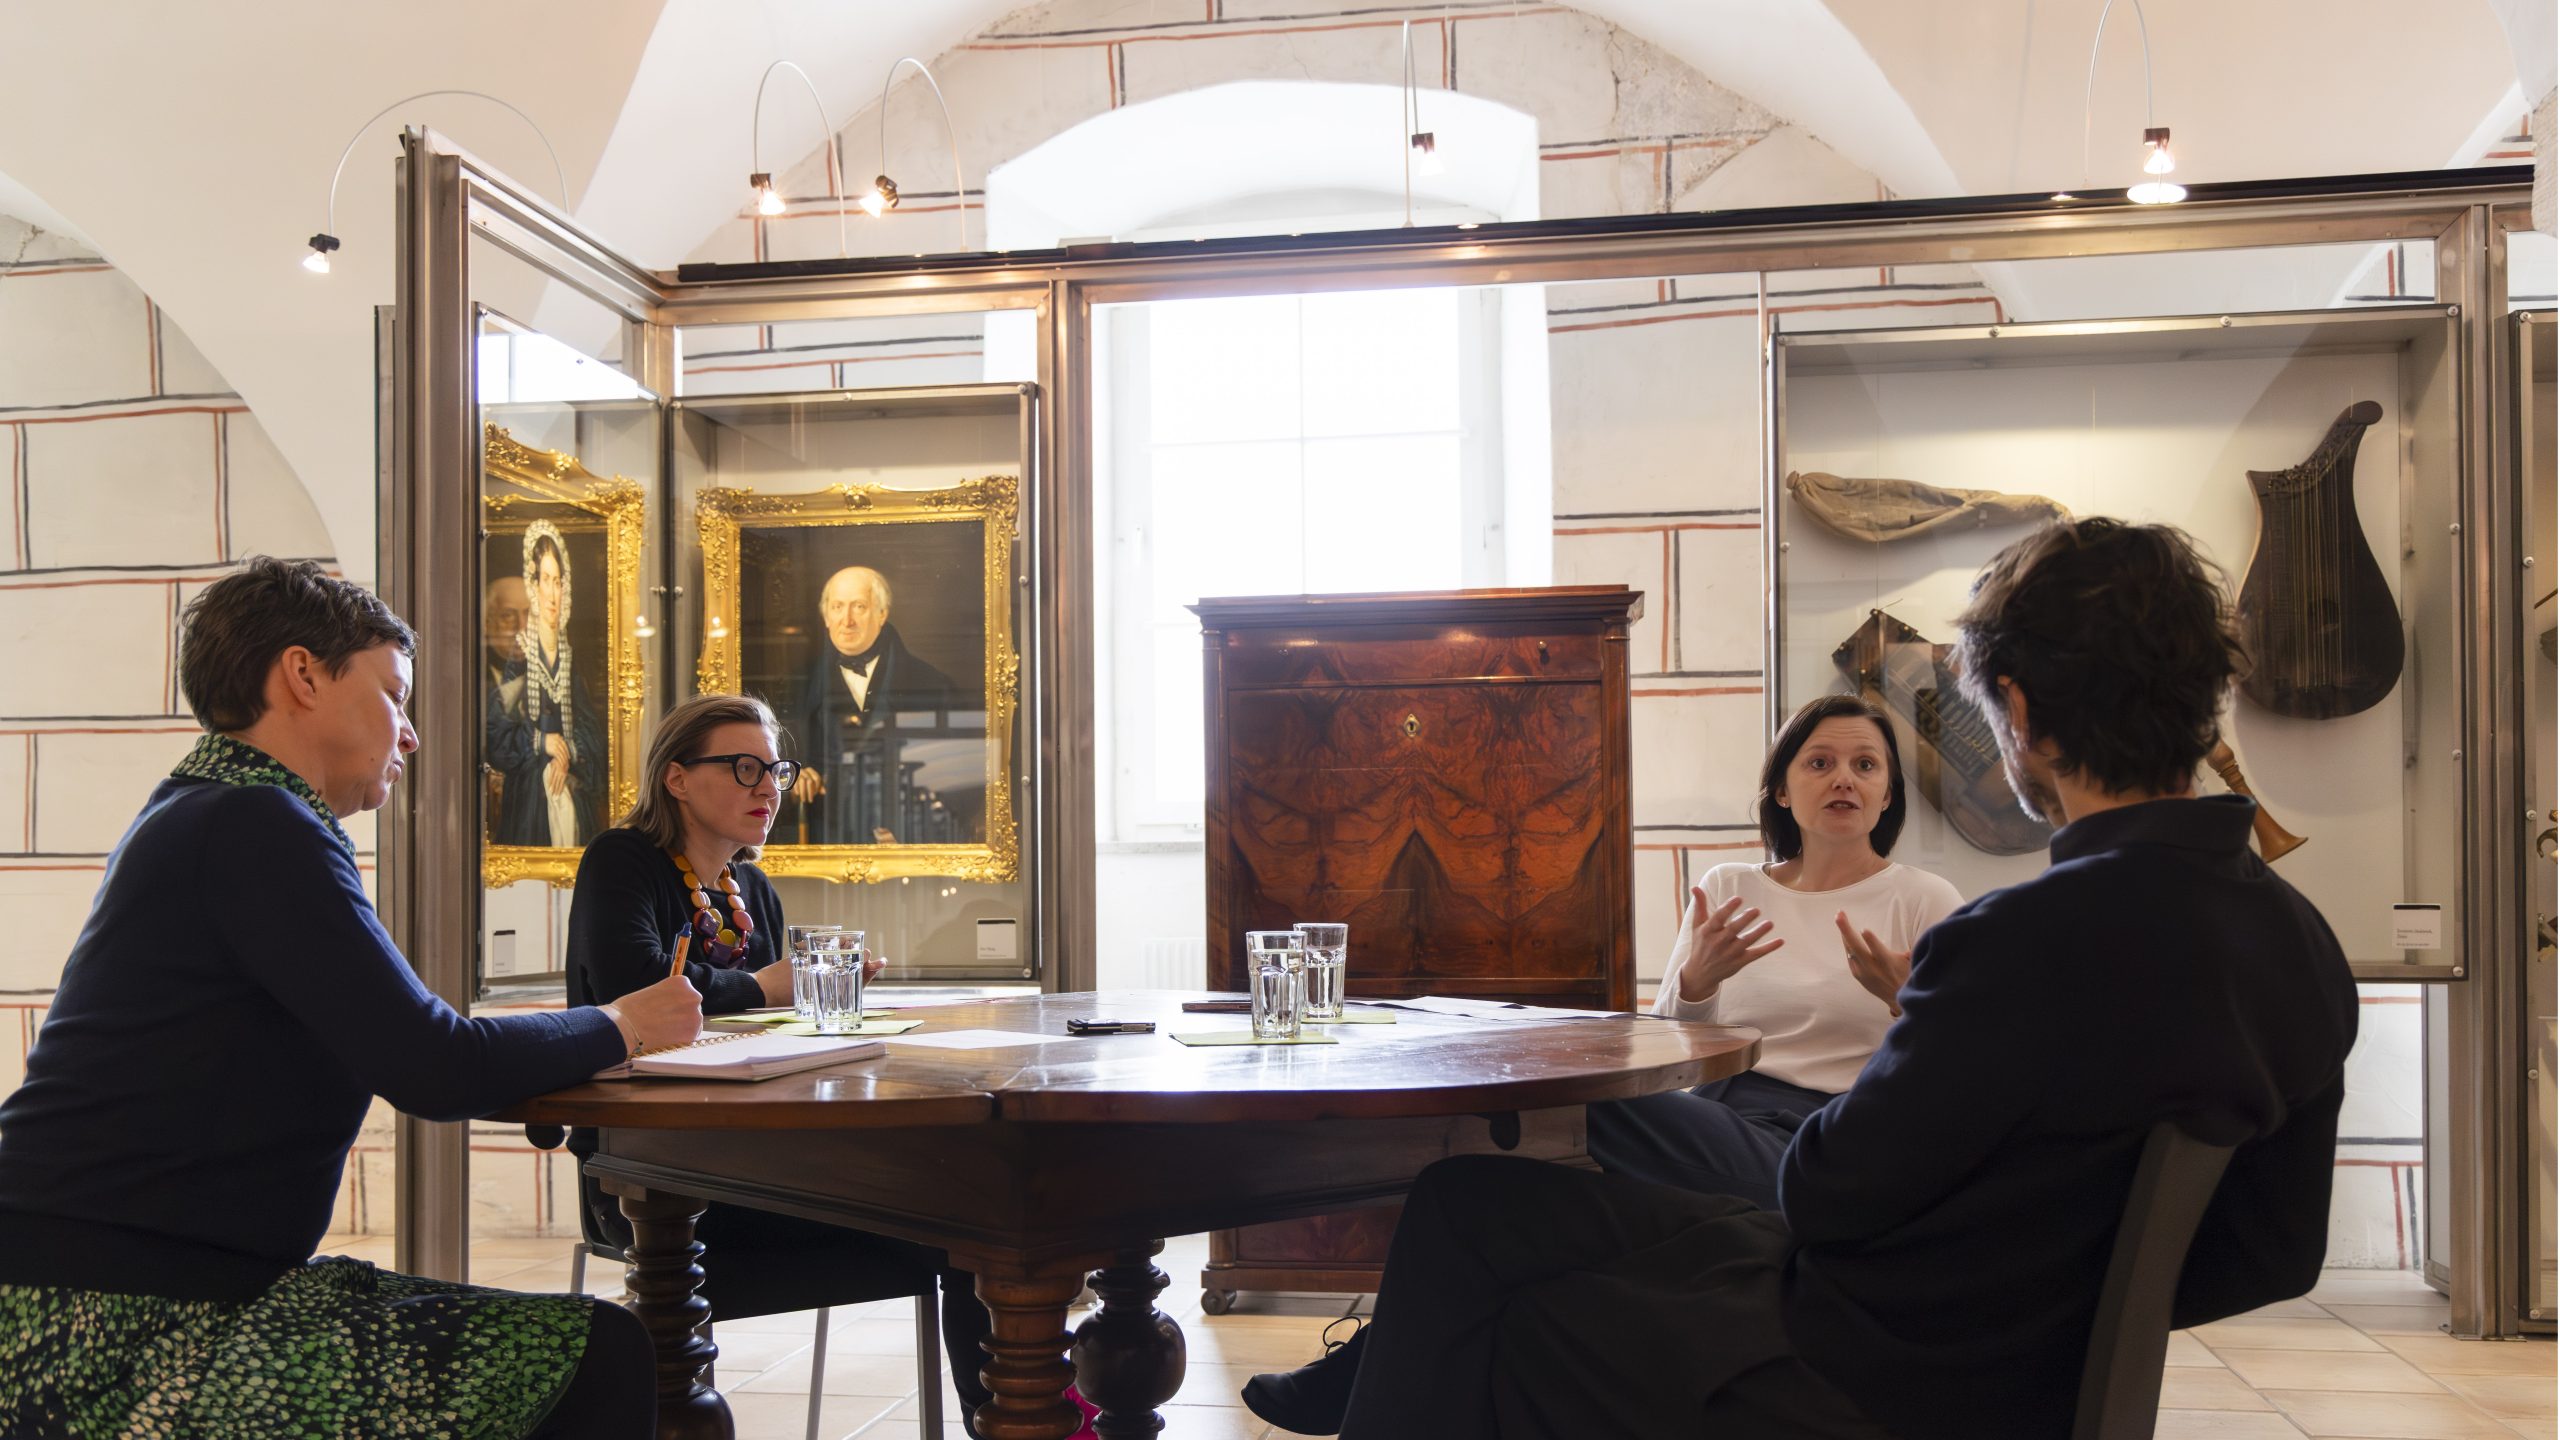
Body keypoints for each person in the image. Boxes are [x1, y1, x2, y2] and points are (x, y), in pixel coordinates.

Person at [1295, 519, 2359, 1440]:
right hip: (1979, 1352)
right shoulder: (2300, 941)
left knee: (1511, 1302)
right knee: (1471, 1202)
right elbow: (2274, 1255)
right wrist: (2059, 1303)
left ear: (2021, 711)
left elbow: (1821, 1192)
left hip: (1865, 1371)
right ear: (2202, 700)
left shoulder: (2016, 943)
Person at [0, 556, 704, 1439]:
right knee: (596, 1353)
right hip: (110, 1323)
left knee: (592, 1349)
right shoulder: (254, 820)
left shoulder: (215, 808)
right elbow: (438, 1065)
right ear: (302, 675)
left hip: (148, 1282)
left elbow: (418, 1046)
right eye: (394, 696)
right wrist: (625, 1022)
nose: (410, 736)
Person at [1245, 693, 1964, 1432]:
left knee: (1571, 1100)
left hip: (1822, 1142)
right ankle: (1380, 1350)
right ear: (1783, 789)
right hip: (1717, 1114)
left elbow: (1956, 1081)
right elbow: (1669, 1047)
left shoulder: (1922, 899)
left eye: (1865, 765)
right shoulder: (1731, 887)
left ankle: (1364, 1360)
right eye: (1820, 762)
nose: (1843, 778)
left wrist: (1909, 1007)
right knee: (1476, 1178)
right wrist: (1696, 983)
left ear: (1887, 793)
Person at [563, 692, 999, 1431]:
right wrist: (769, 987)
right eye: (744, 768)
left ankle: (1016, 1421)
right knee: (967, 1224)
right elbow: (634, 989)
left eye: (776, 770)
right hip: (650, 1173)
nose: (768, 787)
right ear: (676, 777)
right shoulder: (623, 859)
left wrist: (831, 1005)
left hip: (767, 1161)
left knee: (978, 1219)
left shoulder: (753, 891)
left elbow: (770, 1036)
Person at [787, 564, 962, 845]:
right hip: (826, 842)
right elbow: (772, 771)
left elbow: (957, 779)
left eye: (859, 607)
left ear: (882, 614)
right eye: (837, 607)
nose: (847, 620)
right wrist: (794, 777)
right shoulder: (796, 686)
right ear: (826, 617)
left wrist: (909, 833)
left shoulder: (934, 684)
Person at [489, 523, 604, 847]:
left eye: (558, 582)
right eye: (545, 580)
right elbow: (496, 737)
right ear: (533, 585)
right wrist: (541, 741)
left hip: (571, 793)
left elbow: (594, 735)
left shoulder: (570, 658)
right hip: (529, 803)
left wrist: (567, 752)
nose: (553, 593)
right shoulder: (520, 656)